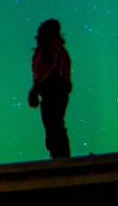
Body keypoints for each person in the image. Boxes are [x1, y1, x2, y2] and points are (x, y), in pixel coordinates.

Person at [27, 18, 72, 158]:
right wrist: (37, 88)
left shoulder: (56, 50)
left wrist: (37, 87)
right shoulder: (43, 52)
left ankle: (61, 158)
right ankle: (58, 155)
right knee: (51, 125)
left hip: (56, 92)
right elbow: (39, 72)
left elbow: (54, 71)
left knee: (55, 124)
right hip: (48, 93)